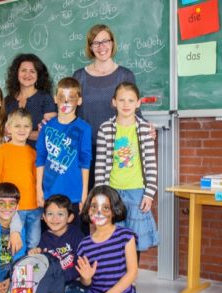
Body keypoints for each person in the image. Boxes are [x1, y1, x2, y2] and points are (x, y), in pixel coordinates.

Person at [95, 82, 158, 263]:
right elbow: (100, 164)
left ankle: (131, 280)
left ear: (138, 103)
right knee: (112, 237)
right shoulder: (105, 128)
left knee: (133, 239)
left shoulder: (145, 128)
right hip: (112, 192)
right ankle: (115, 277)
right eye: (121, 100)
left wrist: (149, 193)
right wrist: (101, 194)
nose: (126, 104)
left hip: (137, 192)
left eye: (131, 100)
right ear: (114, 102)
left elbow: (151, 163)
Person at [72, 24, 138, 186]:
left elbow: (135, 111)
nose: (102, 47)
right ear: (90, 47)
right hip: (85, 148)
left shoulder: (125, 75)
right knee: (89, 200)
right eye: (96, 43)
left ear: (112, 43)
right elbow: (71, 112)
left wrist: (146, 128)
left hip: (118, 148)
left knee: (114, 201)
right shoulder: (79, 76)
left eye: (106, 41)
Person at [70, 185, 138, 293]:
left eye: (105, 207)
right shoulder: (84, 244)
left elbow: (132, 272)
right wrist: (86, 278)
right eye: (94, 207)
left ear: (114, 211)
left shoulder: (126, 236)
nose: (98, 212)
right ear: (88, 209)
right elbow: (86, 282)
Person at [35, 77, 92, 234]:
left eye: (71, 98)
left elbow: (85, 162)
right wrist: (38, 190)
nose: (66, 102)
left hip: (74, 195)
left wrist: (84, 194)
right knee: (50, 240)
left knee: (77, 240)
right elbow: (40, 158)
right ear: (55, 99)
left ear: (79, 101)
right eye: (62, 98)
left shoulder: (84, 128)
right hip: (49, 194)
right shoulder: (47, 127)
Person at [0, 109, 41, 250]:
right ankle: (6, 270)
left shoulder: (34, 152)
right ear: (9, 128)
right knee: (8, 242)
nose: (22, 130)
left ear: (31, 128)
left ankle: (31, 270)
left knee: (33, 243)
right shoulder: (2, 151)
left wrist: (41, 203)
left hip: (33, 207)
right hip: (9, 207)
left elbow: (38, 180)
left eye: (26, 126)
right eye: (17, 126)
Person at [28, 194, 85, 293]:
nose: (54, 219)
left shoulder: (77, 235)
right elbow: (42, 265)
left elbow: (80, 265)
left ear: (69, 218)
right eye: (50, 214)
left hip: (73, 284)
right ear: (43, 217)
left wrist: (60, 277)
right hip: (52, 285)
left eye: (60, 214)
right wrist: (36, 254)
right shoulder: (44, 238)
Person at [4, 53, 57, 148]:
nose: (27, 74)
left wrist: (20, 134)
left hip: (38, 157)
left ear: (38, 75)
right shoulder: (7, 101)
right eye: (23, 70)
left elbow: (50, 132)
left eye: (32, 71)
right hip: (12, 156)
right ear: (16, 74)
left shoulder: (46, 99)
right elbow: (2, 129)